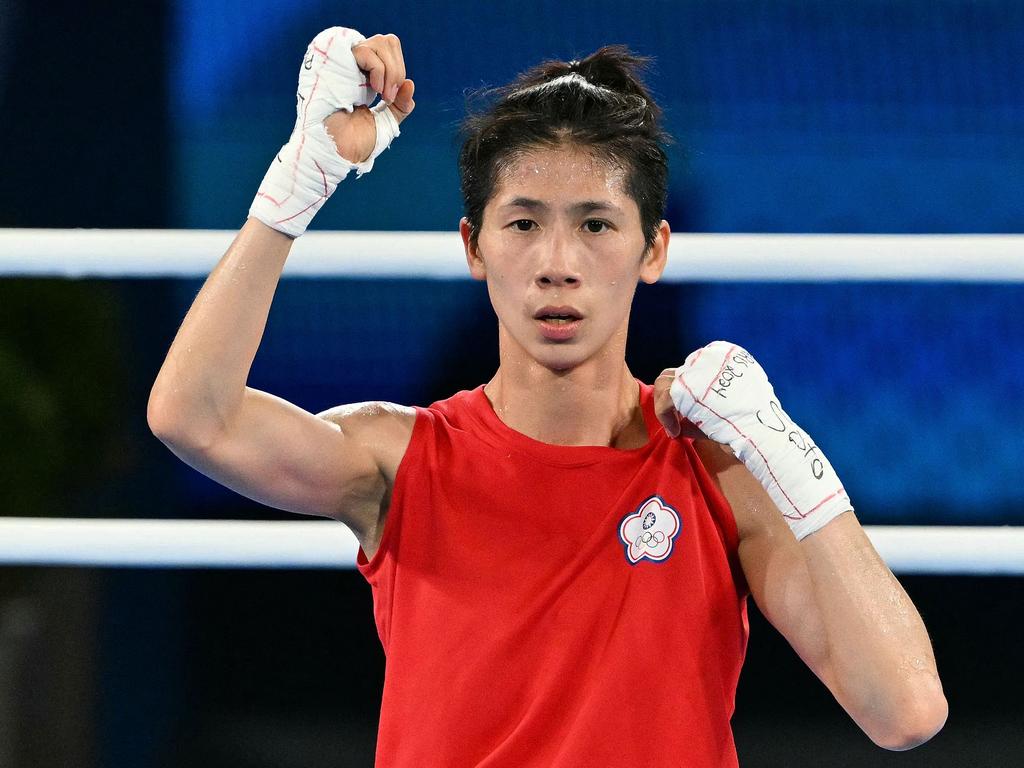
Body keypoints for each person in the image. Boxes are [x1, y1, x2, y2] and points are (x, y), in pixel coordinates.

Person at [147, 26, 947, 767]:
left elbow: (905, 711)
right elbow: (192, 417)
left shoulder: (721, 470)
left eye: (596, 225)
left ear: (653, 249)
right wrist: (300, 180)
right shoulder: (399, 457)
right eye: (524, 224)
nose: (557, 263)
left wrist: (785, 449)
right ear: (474, 246)